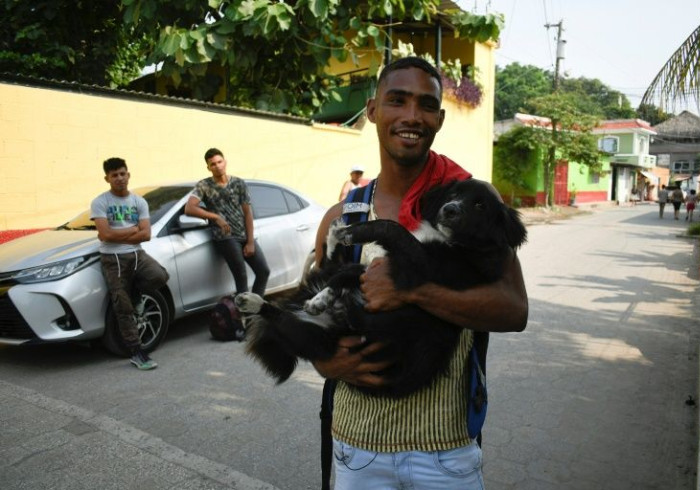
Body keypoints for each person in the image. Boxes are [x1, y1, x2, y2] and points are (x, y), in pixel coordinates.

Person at [311, 57, 528, 489]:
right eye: (398, 100)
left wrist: (413, 290)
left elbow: (513, 310)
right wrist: (324, 361)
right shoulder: (344, 216)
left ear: (440, 119)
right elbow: (314, 310)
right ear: (373, 110)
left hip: (445, 450)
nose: (412, 116)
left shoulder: (470, 207)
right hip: (358, 448)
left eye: (426, 105)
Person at [91, 157, 169, 370]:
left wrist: (119, 234)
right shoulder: (100, 202)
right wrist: (133, 230)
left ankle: (136, 292)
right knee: (122, 305)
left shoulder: (139, 202)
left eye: (122, 173)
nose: (119, 178)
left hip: (137, 254)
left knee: (159, 276)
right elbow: (105, 234)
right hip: (112, 259)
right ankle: (137, 351)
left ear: (128, 175)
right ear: (107, 178)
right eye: (114, 175)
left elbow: (146, 235)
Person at [185, 148, 270, 296]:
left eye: (219, 162)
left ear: (225, 162)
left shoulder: (238, 183)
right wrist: (215, 217)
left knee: (263, 272)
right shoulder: (204, 185)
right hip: (226, 236)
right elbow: (189, 208)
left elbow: (247, 213)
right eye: (213, 164)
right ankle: (243, 316)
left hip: (244, 234)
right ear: (208, 167)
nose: (217, 166)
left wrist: (250, 241)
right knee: (241, 276)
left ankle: (254, 308)